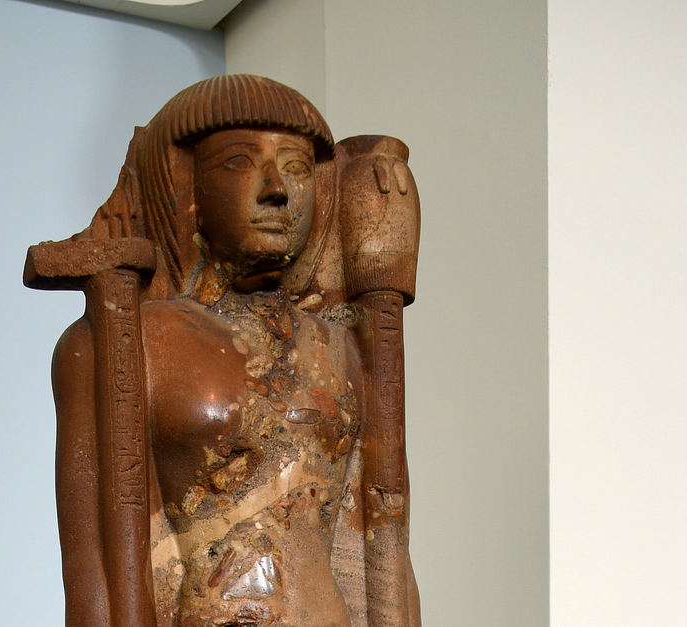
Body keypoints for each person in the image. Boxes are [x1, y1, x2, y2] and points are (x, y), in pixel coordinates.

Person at [49, 75, 419, 627]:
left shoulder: (341, 350)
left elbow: (381, 541)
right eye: (240, 162)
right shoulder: (124, 344)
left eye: (297, 167)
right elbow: (97, 572)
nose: (276, 189)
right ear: (189, 190)